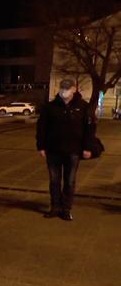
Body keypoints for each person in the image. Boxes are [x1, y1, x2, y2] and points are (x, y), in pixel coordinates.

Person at [36, 79, 95, 221]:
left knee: (69, 181)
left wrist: (88, 147)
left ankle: (66, 209)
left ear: (74, 89)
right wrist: (41, 146)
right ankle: (55, 207)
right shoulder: (50, 107)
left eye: (67, 88)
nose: (64, 90)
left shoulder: (83, 107)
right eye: (62, 88)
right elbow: (41, 128)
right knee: (54, 180)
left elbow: (90, 129)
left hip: (73, 151)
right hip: (53, 150)